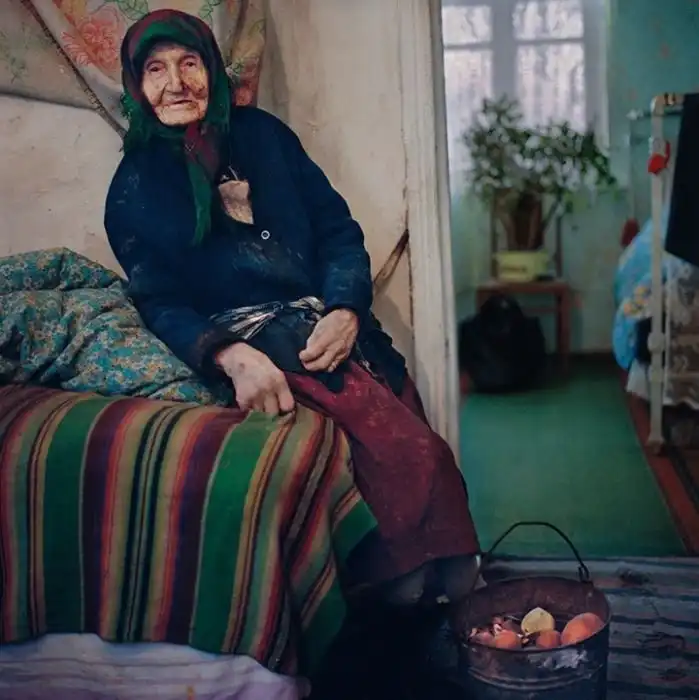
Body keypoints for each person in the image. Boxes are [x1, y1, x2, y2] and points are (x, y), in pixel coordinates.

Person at [105, 9, 480, 603]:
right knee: (408, 551)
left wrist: (346, 309)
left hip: (330, 325)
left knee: (452, 553)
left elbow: (337, 231)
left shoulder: (264, 136)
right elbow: (159, 301)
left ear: (212, 69)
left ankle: (434, 586)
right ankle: (387, 599)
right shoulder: (134, 187)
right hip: (258, 343)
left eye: (189, 63)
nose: (175, 83)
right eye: (155, 70)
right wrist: (230, 356)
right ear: (136, 84)